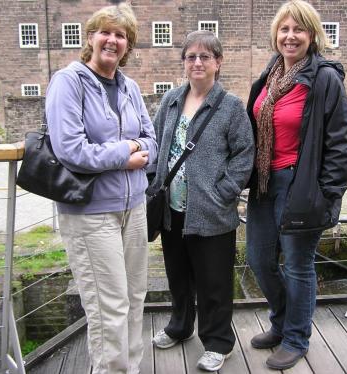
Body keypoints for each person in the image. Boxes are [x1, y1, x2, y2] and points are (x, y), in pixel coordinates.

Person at [45, 4, 157, 374]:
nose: (112, 40)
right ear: (90, 37)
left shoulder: (130, 86)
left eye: (121, 35)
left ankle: (131, 369)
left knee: (134, 297)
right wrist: (125, 152)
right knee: (109, 306)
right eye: (105, 32)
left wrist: (138, 148)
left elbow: (152, 141)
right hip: (91, 212)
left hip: (134, 207)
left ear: (128, 45)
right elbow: (70, 150)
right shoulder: (69, 82)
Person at [245, 0, 347, 370]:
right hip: (264, 182)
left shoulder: (325, 79)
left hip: (301, 184)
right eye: (284, 29)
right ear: (276, 35)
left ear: (312, 35)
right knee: (260, 260)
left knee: (297, 265)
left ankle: (296, 337)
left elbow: (342, 142)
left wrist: (328, 194)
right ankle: (281, 322)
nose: (290, 36)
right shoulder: (270, 74)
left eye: (298, 29)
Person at [150, 30, 255, 372]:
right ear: (184, 63)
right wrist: (154, 180)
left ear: (218, 62)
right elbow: (155, 143)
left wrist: (224, 192)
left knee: (214, 283)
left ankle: (218, 342)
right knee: (178, 276)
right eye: (191, 56)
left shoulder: (231, 107)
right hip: (172, 209)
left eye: (205, 57)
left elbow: (244, 155)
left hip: (211, 212)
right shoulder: (171, 100)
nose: (197, 62)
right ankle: (180, 327)